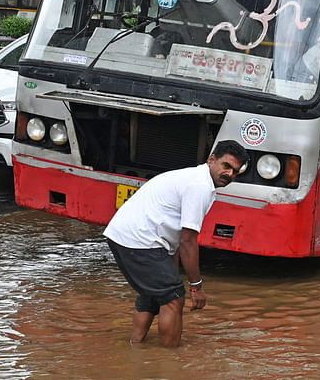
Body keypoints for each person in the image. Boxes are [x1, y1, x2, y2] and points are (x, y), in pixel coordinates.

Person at [103, 140, 250, 348]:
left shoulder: (197, 178)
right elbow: (188, 241)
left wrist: (172, 271)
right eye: (226, 166)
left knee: (155, 293)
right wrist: (196, 286)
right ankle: (170, 361)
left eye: (235, 171)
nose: (230, 174)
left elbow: (175, 238)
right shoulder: (199, 185)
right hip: (138, 239)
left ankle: (134, 347)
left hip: (127, 235)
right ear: (212, 160)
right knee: (174, 297)